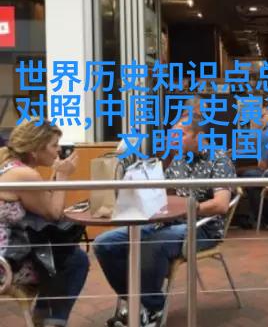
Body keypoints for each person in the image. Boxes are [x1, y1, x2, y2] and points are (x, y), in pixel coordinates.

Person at [94, 117, 235, 327]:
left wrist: (188, 208)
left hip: (201, 227)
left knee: (154, 244)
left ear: (200, 137)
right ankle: (136, 303)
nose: (173, 138)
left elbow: (221, 205)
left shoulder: (219, 160)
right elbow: (160, 192)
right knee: (105, 243)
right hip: (167, 222)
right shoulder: (178, 158)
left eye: (181, 134)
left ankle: (152, 308)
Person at [0, 120, 89, 327]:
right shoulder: (25, 175)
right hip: (6, 264)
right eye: (54, 145)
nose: (58, 150)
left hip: (8, 250)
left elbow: (42, 201)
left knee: (61, 254)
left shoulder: (9, 166)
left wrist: (55, 176)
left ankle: (45, 315)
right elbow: (53, 213)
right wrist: (63, 176)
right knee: (75, 260)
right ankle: (51, 321)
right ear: (35, 150)